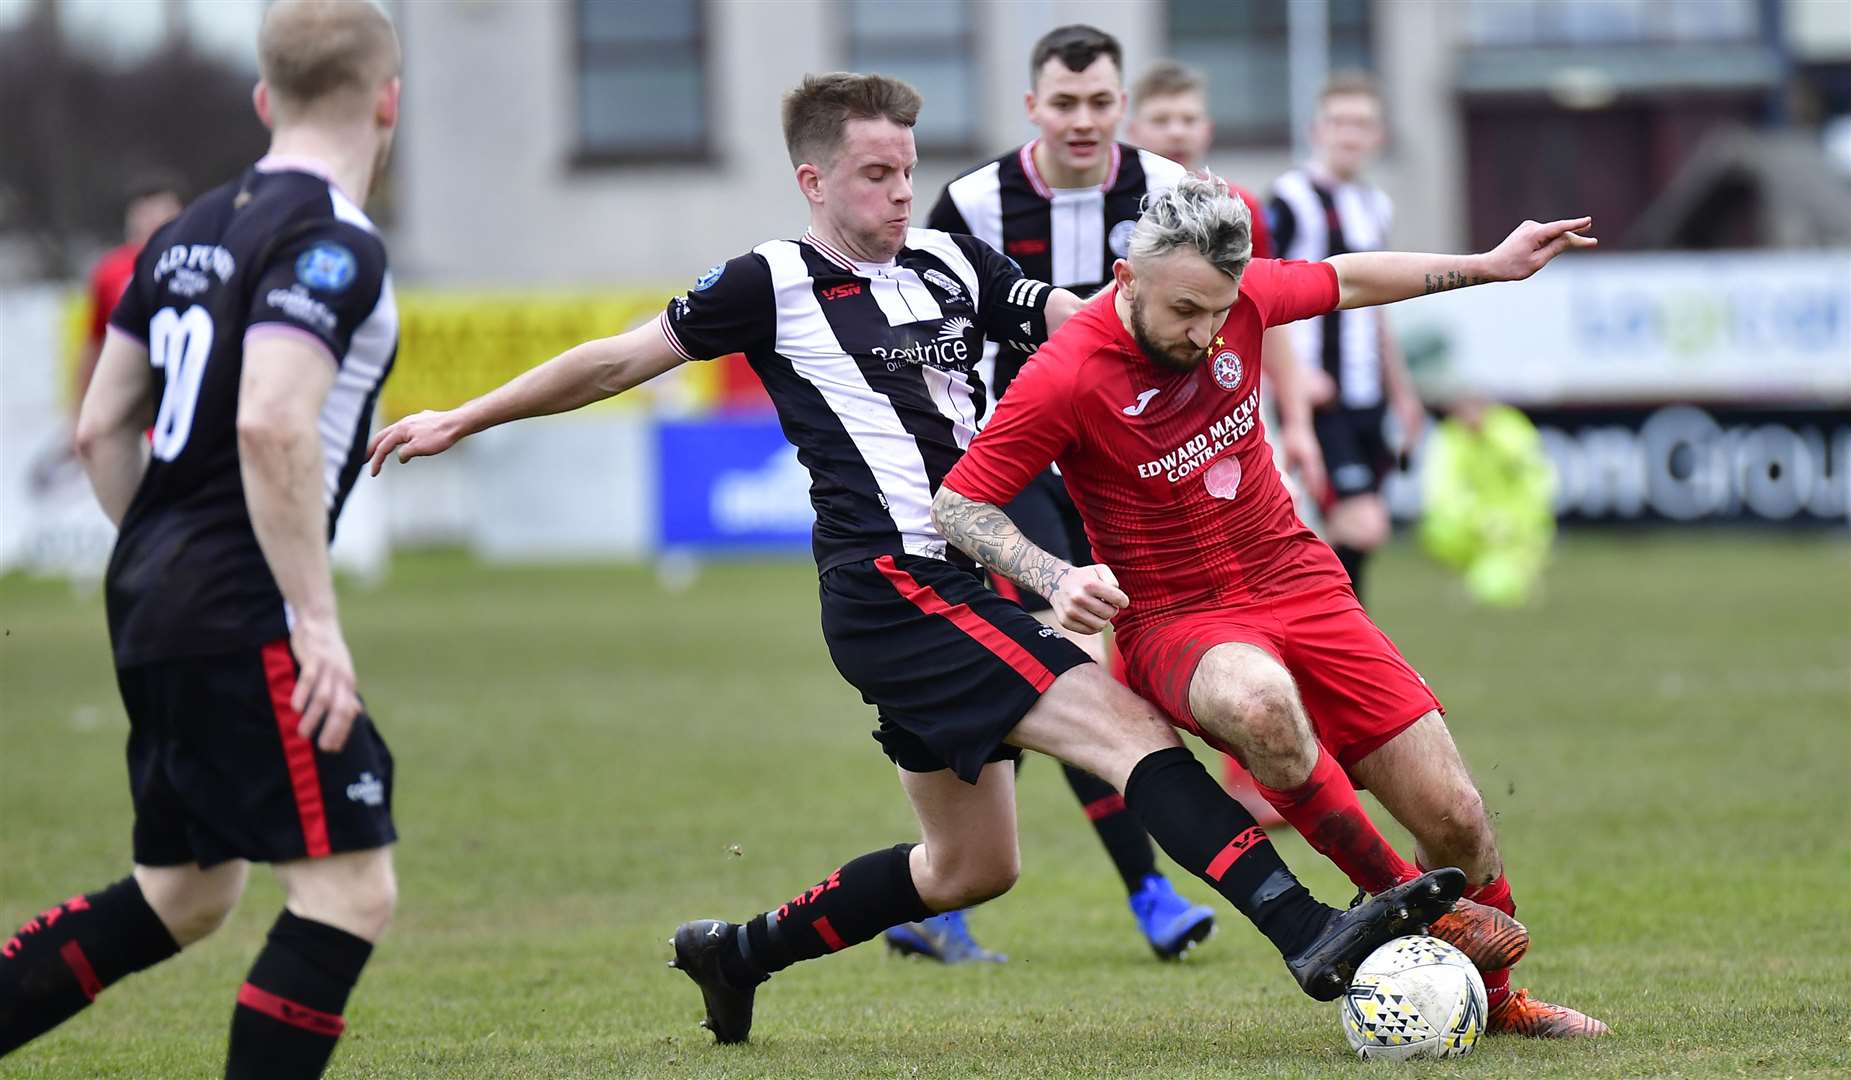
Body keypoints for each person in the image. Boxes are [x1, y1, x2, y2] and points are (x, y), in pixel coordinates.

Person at [367, 72, 1465, 1046]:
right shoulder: (770, 280)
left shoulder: (944, 256)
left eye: (908, 170)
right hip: (894, 586)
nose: (901, 193)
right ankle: (1311, 930)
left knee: (971, 869)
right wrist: (465, 417)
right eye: (877, 174)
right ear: (814, 181)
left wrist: (1183, 314)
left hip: (964, 582)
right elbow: (618, 360)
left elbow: (1076, 315)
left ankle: (736, 953)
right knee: (1129, 730)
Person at [934, 174, 1610, 1039]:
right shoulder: (1066, 373)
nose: (1205, 332)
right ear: (1123, 278)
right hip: (1177, 619)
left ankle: (1501, 1001)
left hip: (1294, 579)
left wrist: (1486, 264)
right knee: (1257, 705)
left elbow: (1348, 279)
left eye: (1218, 311)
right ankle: (1394, 894)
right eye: (1184, 311)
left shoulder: (1235, 297)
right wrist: (1053, 575)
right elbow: (960, 503)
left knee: (1456, 816)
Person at [1, 3, 404, 1076]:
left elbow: (98, 427)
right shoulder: (331, 240)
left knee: (185, 894)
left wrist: (164, 559)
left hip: (152, 592)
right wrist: (310, 617)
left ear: (265, 99)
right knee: (349, 893)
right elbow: (271, 417)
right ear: (387, 100)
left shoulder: (179, 235)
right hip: (242, 605)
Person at [919, 24, 1220, 962]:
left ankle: (940, 896)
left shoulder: (1173, 190)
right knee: (1071, 664)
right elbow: (935, 336)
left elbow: (1228, 311)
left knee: (1033, 673)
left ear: (1120, 103)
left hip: (1146, 472)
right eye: (1064, 103)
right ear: (1031, 107)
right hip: (1022, 478)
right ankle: (1150, 894)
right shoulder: (970, 201)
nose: (1083, 121)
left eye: (1099, 102)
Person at [1128, 58, 1331, 828]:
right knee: (1149, 606)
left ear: (1205, 127)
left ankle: (1257, 760)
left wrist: (1297, 417)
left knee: (1261, 581)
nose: (1177, 132)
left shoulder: (1236, 207)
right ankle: (1160, 770)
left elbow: (1263, 310)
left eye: (1188, 119)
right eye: (1161, 122)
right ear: (1135, 134)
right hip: (1139, 451)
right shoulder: (1132, 219)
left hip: (1228, 427)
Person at [1268, 73, 1427, 606]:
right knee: (1361, 524)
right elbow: (1266, 289)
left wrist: (1402, 392)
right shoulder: (1292, 199)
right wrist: (1294, 375)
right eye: (1339, 122)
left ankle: (1336, 640)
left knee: (1348, 529)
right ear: (1317, 130)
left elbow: (1376, 309)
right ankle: (1338, 637)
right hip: (1321, 395)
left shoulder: (1375, 205)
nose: (1350, 134)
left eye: (1361, 123)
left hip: (1367, 397)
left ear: (1378, 135)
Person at [1419, 397, 1555, 608]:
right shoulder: (1451, 436)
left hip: (1518, 527)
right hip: (1477, 526)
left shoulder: (1510, 431)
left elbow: (1538, 482)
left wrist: (1513, 521)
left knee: (1496, 587)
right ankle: (1473, 570)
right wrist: (1479, 519)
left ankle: (1522, 571)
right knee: (1439, 529)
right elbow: (1441, 492)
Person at [74, 176, 185, 421]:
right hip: (130, 405)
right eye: (144, 214)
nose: (152, 222)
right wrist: (80, 413)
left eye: (161, 213)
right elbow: (94, 344)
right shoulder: (111, 270)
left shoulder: (194, 265)